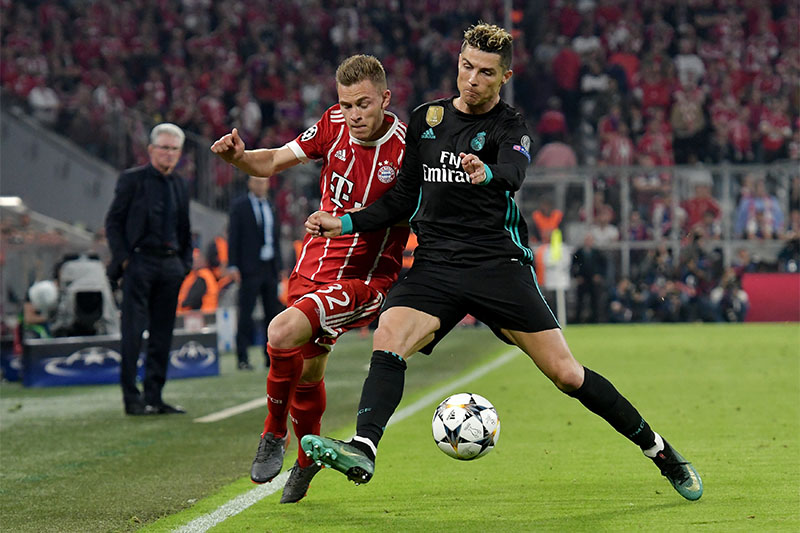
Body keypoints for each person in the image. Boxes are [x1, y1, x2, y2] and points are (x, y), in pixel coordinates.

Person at [302, 22, 703, 502]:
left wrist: (486, 172)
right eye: (466, 67)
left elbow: (514, 173)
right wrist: (344, 223)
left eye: (486, 72)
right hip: (436, 264)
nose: (472, 79)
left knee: (567, 374)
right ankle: (364, 448)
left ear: (504, 77)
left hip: (498, 265)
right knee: (388, 336)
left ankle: (660, 451)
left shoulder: (510, 126)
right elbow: (402, 198)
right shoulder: (427, 119)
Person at [209, 54, 409, 504]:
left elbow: (410, 212)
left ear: (385, 98)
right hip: (312, 266)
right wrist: (240, 158)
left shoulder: (406, 149)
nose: (353, 115)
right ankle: (306, 460)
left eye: (363, 104)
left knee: (281, 332)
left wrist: (351, 222)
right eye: (346, 104)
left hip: (362, 279)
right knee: (308, 370)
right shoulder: (332, 123)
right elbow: (272, 161)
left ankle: (273, 433)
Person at [105, 122, 192, 416]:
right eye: (164, 148)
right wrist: (124, 260)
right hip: (139, 262)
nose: (169, 153)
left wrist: (184, 264)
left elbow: (185, 228)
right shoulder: (132, 180)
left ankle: (155, 397)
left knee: (162, 334)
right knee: (132, 332)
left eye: (174, 149)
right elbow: (113, 222)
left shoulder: (181, 184)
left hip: (170, 265)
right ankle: (132, 398)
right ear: (151, 149)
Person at [227, 175, 283, 370]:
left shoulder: (271, 205)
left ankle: (271, 357)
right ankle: (242, 358)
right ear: (249, 183)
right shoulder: (240, 206)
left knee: (272, 315)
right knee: (246, 314)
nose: (260, 185)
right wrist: (233, 265)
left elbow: (275, 238)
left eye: (263, 182)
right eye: (257, 181)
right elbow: (233, 236)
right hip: (249, 268)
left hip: (269, 267)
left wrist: (279, 267)